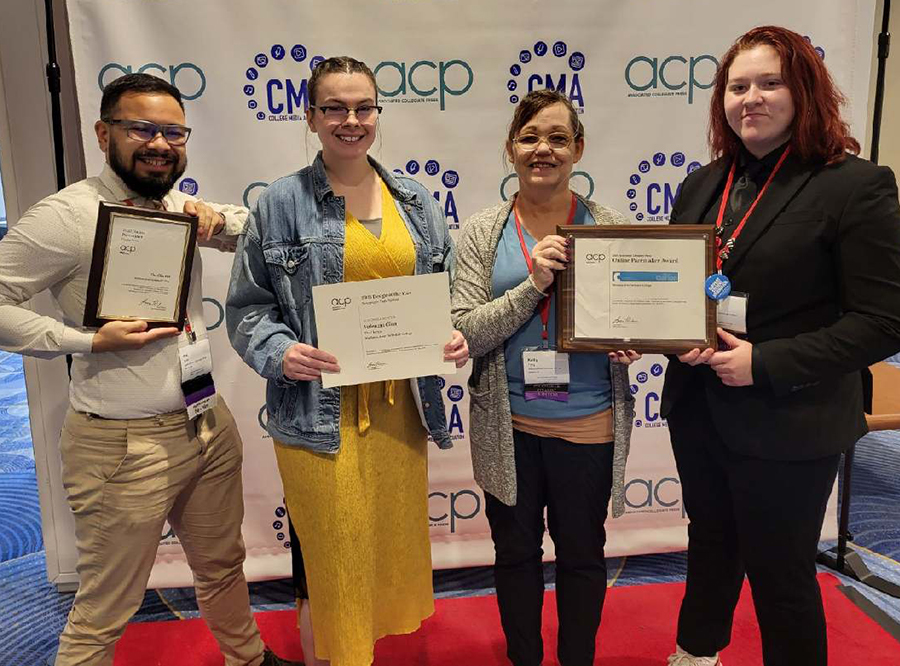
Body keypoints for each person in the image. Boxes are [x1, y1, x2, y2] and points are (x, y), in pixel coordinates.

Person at [0, 73, 299, 666]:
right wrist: (83, 340)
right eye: (141, 128)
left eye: (172, 131)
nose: (158, 143)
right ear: (103, 132)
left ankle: (247, 659)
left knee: (221, 567)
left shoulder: (176, 208)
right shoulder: (67, 216)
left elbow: (259, 229)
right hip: (121, 445)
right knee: (106, 606)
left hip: (205, 423)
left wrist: (221, 219)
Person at [661, 26, 900, 666]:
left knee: (781, 572)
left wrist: (763, 363)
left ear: (804, 90)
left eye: (770, 83)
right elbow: (676, 292)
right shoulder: (702, 184)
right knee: (710, 545)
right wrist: (670, 337)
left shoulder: (855, 185)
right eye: (738, 86)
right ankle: (695, 653)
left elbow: (882, 320)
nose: (752, 99)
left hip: (790, 419)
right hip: (700, 408)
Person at [225, 56, 469, 666]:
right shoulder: (277, 204)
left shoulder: (415, 200)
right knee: (334, 558)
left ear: (378, 115)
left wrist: (451, 335)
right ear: (311, 117)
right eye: (334, 107)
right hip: (318, 415)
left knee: (380, 555)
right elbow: (247, 308)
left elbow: (443, 292)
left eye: (363, 107)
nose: (350, 120)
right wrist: (281, 351)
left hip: (398, 416)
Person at [450, 89, 638, 666]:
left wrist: (632, 340)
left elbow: (634, 316)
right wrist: (532, 285)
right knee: (515, 556)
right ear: (511, 149)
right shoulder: (485, 231)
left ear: (578, 148)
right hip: (508, 425)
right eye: (530, 137)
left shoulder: (608, 226)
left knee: (584, 556)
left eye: (558, 138)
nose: (543, 149)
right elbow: (468, 331)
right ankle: (524, 658)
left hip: (589, 422)